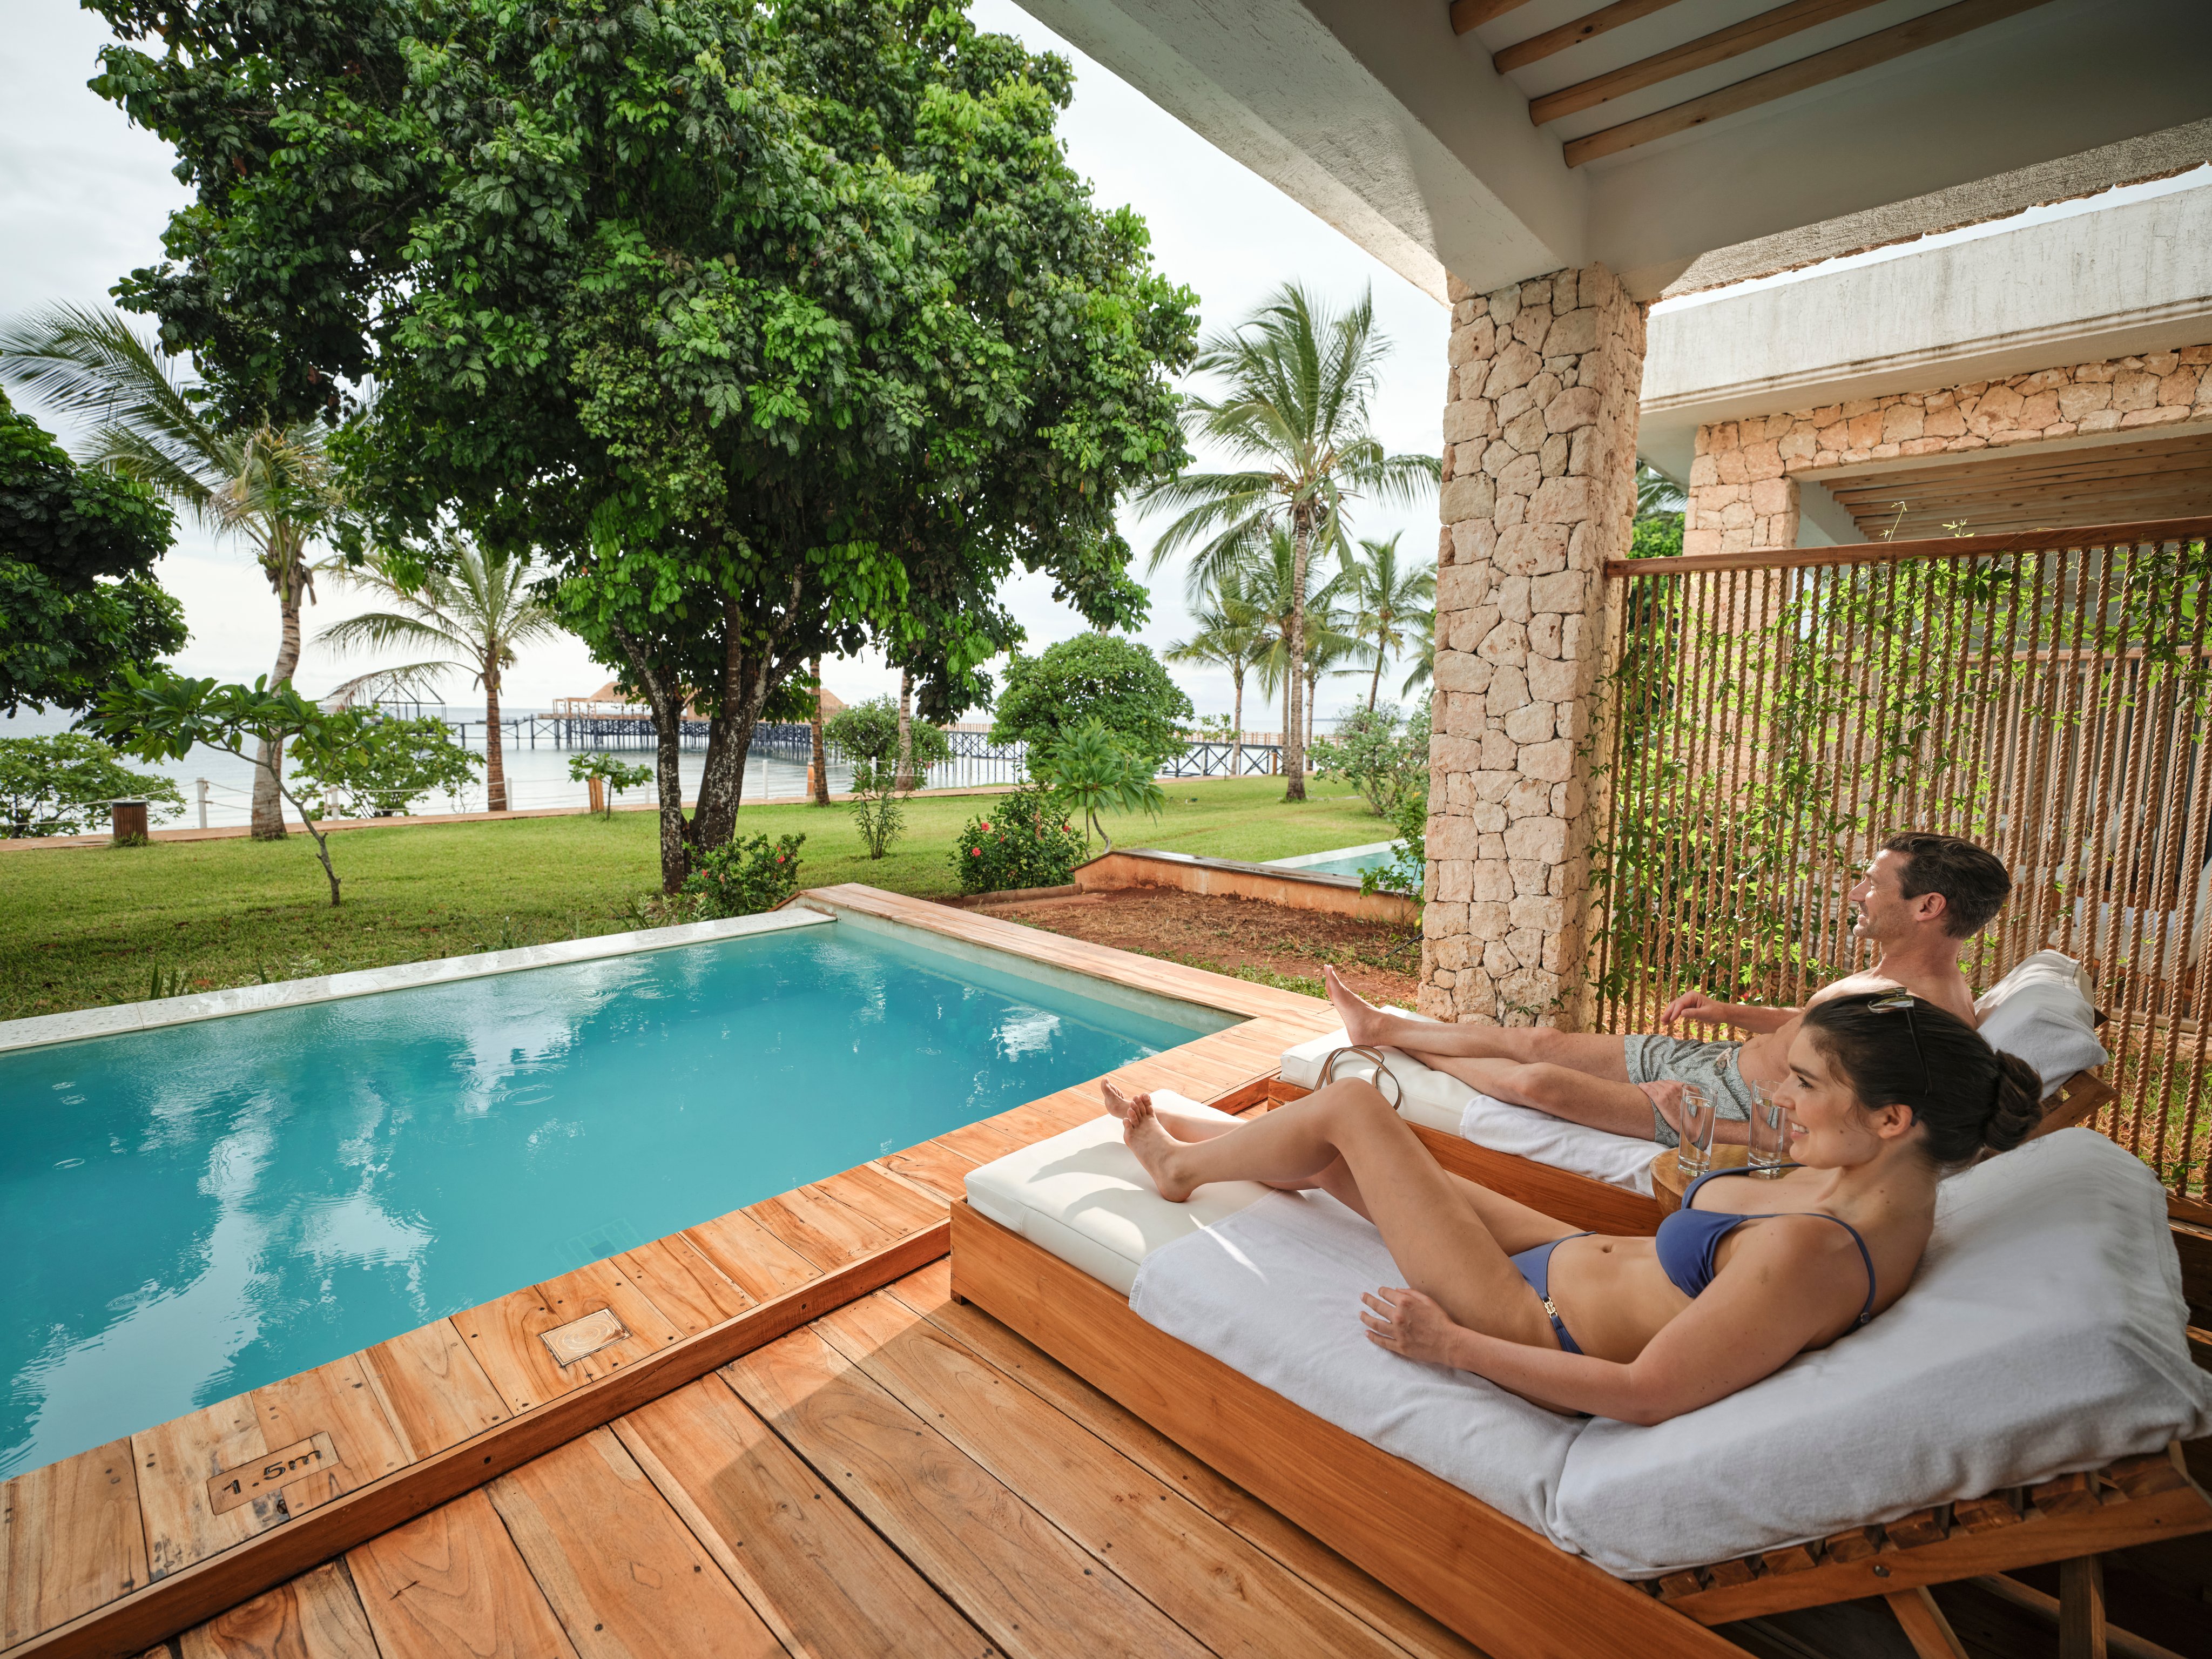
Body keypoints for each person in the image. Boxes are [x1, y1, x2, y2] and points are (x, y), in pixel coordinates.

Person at [1108, 992, 2041, 1421]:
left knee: (1355, 1110)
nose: (1783, 1099)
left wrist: (1453, 1346)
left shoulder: (1821, 1253)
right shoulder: (1876, 1188)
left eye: (1803, 1084)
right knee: (1344, 1164)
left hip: (1527, 1316)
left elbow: (1649, 1393)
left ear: (1890, 1116)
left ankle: (1179, 1171)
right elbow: (1718, 1233)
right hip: (1576, 1253)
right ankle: (1227, 1146)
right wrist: (1710, 1148)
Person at [1324, 830, 2012, 1145]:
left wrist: (1709, 1126)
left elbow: (1849, 1128)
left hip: (1721, 1100)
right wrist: (1726, 1011)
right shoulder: (1893, 981)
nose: (1857, 892)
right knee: (1541, 1040)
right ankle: (1381, 1031)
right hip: (1705, 1062)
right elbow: (1816, 1020)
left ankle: (1406, 1054)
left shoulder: (1926, 1016)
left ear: (1928, 908)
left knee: (1537, 1081)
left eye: (1875, 883)